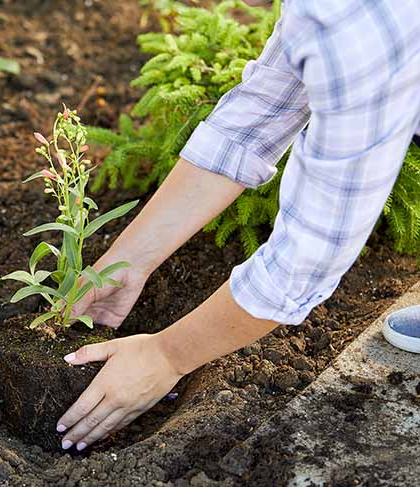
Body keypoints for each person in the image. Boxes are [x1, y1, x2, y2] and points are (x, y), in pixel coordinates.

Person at [55, 0, 420, 452]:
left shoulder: (351, 24)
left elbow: (310, 254)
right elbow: (258, 116)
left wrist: (167, 355)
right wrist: (127, 261)